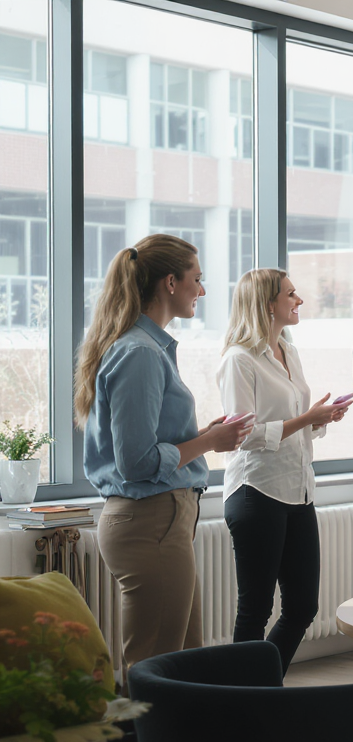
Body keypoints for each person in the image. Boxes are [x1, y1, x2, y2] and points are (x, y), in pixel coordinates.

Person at [76, 234, 254, 670]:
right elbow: (135, 464)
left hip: (158, 521)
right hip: (149, 521)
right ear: (170, 283)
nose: (203, 290)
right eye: (198, 279)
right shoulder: (140, 353)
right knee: (154, 668)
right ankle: (138, 741)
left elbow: (149, 445)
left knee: (178, 663)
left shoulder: (146, 348)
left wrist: (201, 436)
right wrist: (208, 443)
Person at [217, 269, 352, 676]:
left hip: (298, 490)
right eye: (291, 294)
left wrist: (320, 418)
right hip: (256, 491)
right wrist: (306, 418)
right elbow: (242, 435)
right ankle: (246, 704)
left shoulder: (287, 350)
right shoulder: (238, 360)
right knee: (255, 609)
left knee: (303, 607)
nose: (300, 300)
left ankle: (261, 688)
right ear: (267, 304)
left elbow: (291, 421)